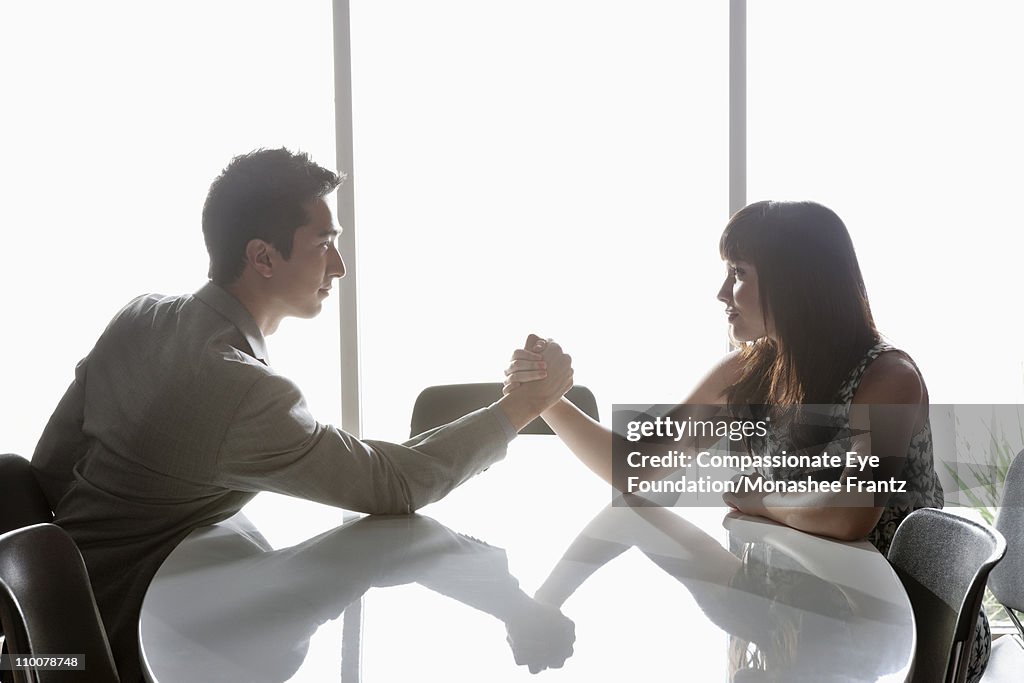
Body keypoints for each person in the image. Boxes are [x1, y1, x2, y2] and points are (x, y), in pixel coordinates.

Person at [29, 148, 573, 683]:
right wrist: (520, 408)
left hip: (41, 632)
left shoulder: (139, 316)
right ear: (263, 257)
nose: (338, 266)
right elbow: (391, 484)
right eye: (324, 244)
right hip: (115, 651)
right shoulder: (239, 387)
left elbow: (49, 470)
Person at [503, 200, 990, 681]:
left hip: (909, 637)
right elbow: (637, 466)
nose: (721, 292)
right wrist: (545, 400)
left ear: (794, 284)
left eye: (737, 272)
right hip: (793, 610)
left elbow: (848, 513)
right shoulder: (748, 371)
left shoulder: (888, 378)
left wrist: (760, 499)